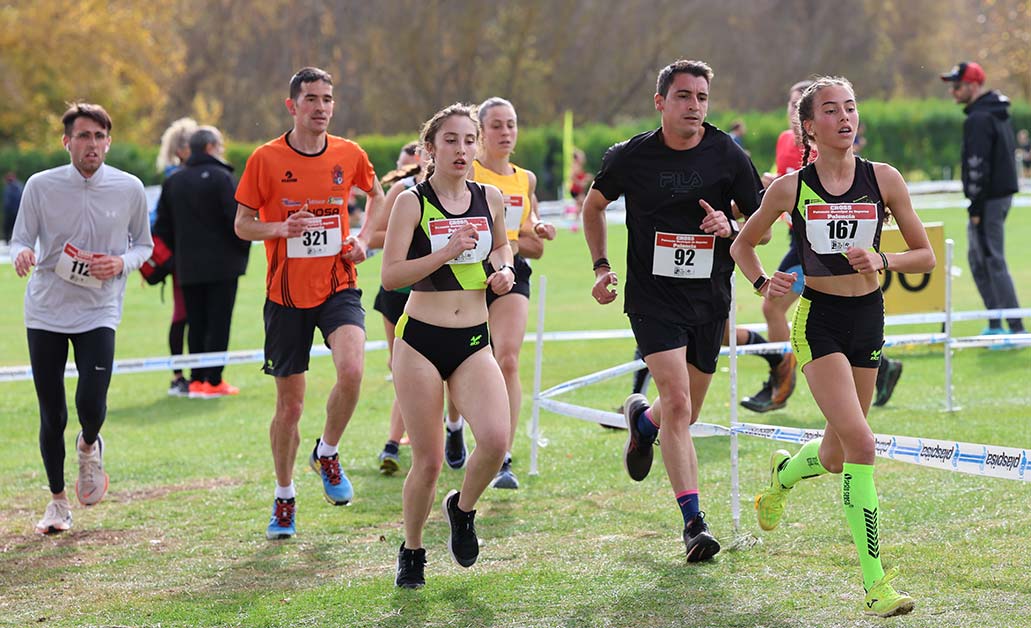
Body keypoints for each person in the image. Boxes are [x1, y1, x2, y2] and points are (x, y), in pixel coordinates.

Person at [731, 76, 935, 617]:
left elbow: (926, 256)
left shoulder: (884, 180)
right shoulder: (790, 188)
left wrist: (884, 261)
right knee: (863, 447)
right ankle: (876, 584)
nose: (845, 118)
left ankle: (782, 474)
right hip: (818, 322)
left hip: (868, 317)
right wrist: (761, 284)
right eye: (831, 110)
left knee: (836, 451)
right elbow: (742, 243)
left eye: (851, 108)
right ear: (809, 126)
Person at [583, 59, 764, 562]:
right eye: (684, 96)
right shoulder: (630, 157)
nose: (695, 106)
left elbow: (762, 225)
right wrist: (601, 267)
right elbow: (593, 206)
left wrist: (731, 230)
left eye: (702, 98)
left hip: (709, 297)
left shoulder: (727, 153)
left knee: (683, 411)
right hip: (652, 297)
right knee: (679, 405)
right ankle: (694, 525)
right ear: (660, 102)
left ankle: (641, 424)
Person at [234, 67, 384, 540]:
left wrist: (363, 239)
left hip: (338, 282)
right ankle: (284, 496)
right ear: (292, 105)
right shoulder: (266, 159)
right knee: (290, 407)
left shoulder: (349, 154)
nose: (321, 107)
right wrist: (280, 228)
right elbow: (242, 224)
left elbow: (377, 196)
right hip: (285, 296)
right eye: (311, 99)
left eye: (327, 99)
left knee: (353, 369)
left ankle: (328, 451)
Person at [380, 103, 514, 589]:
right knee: (430, 460)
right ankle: (412, 549)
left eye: (468, 140)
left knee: (497, 441)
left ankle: (462, 509)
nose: (461, 150)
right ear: (430, 149)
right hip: (419, 340)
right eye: (451, 141)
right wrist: (445, 252)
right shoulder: (411, 201)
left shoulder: (490, 197)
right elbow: (391, 276)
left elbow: (503, 247)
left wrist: (505, 271)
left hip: (474, 339)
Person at [11, 103, 152, 534]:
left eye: (99, 137)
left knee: (91, 403)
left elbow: (144, 246)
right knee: (51, 413)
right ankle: (57, 502)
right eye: (83, 136)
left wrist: (121, 263)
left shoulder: (129, 187)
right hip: (47, 309)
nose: (91, 144)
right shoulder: (41, 185)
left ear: (108, 142)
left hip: (99, 308)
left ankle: (89, 446)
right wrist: (23, 253)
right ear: (66, 141)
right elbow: (19, 237)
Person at [445, 97, 556, 489]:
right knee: (462, 359)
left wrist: (532, 233)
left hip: (511, 272)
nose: (505, 133)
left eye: (511, 124)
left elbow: (534, 239)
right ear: (480, 132)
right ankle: (454, 424)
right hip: (465, 271)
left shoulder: (525, 179)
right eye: (496, 125)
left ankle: (502, 456)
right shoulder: (465, 170)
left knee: (506, 358)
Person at [153, 126, 249, 398]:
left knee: (195, 323)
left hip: (187, 267)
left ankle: (195, 380)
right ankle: (213, 380)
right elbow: (238, 222)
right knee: (218, 322)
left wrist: (175, 260)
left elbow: (161, 228)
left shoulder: (174, 181)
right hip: (223, 267)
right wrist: (239, 253)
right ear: (210, 147)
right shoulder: (222, 178)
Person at [941, 61, 1024, 335]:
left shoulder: (979, 118)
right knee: (978, 260)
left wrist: (975, 206)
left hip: (987, 201)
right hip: (994, 199)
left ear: (973, 85)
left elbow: (978, 165)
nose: (953, 91)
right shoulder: (994, 113)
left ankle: (1014, 327)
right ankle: (996, 323)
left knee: (991, 260)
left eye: (957, 86)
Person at [372, 141, 426, 475]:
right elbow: (375, 235)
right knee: (402, 367)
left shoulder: (465, 190)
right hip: (398, 292)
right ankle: (394, 441)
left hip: (437, 292)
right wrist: (406, 237)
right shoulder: (402, 192)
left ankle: (449, 434)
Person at [155, 117, 199, 397]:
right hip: (182, 261)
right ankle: (179, 375)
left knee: (191, 317)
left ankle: (195, 374)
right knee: (182, 316)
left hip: (193, 258)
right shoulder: (175, 179)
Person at [2, 171, 23, 244]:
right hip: (15, 211)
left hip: (12, 211)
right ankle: (10, 240)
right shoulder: (18, 186)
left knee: (9, 226)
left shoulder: (13, 187)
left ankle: (9, 240)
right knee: (13, 227)